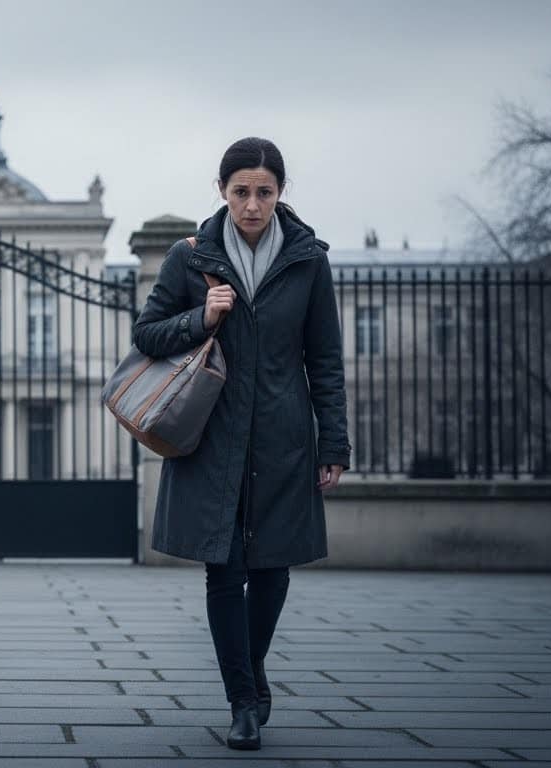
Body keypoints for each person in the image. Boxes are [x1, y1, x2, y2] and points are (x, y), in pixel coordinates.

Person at [132, 137, 350, 751]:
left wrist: (333, 441)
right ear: (221, 191)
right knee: (223, 570)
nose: (252, 204)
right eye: (240, 191)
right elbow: (147, 335)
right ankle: (242, 702)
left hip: (283, 437)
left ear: (280, 193)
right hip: (212, 436)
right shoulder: (190, 256)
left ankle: (251, 672)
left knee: (274, 567)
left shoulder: (308, 260)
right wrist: (201, 318)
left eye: (264, 191)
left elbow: (325, 359)